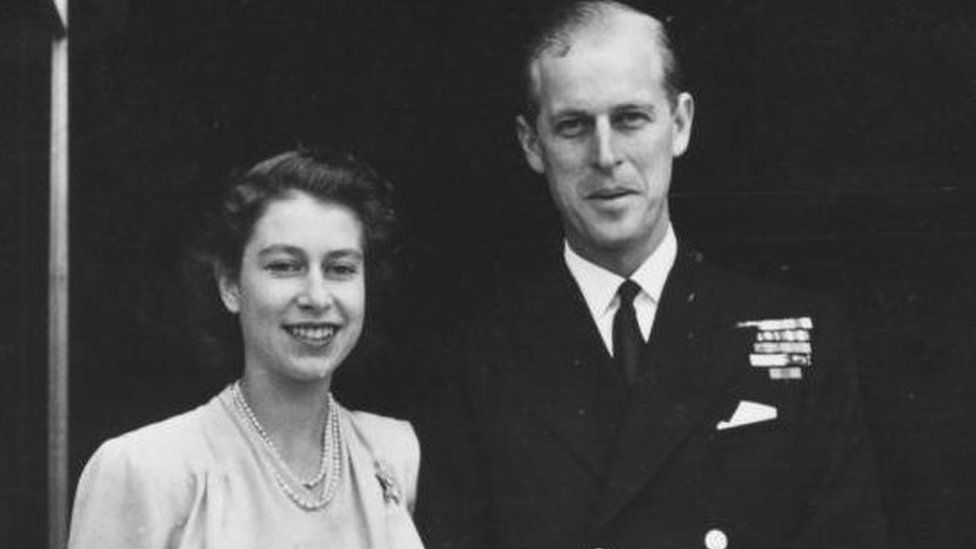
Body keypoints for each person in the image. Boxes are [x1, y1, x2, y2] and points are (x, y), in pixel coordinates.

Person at [415, 2, 888, 548]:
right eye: (573, 126)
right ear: (531, 144)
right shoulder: (478, 358)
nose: (606, 155)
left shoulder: (804, 333)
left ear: (680, 123)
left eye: (629, 119)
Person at [68, 149, 425, 548]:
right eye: (284, 266)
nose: (317, 296)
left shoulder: (392, 455)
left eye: (340, 269)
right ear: (230, 285)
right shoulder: (147, 469)